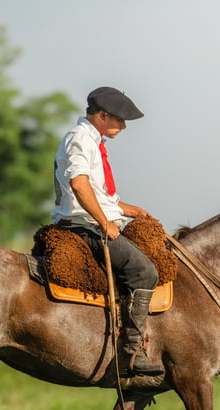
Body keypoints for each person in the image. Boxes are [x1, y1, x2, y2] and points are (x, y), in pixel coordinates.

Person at [52, 86, 163, 377]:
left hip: (93, 219)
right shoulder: (80, 139)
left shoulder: (94, 141)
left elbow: (98, 195)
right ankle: (132, 352)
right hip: (84, 226)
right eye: (119, 119)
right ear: (102, 115)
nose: (124, 126)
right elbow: (79, 184)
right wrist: (105, 223)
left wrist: (130, 210)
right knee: (145, 272)